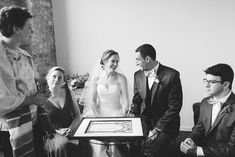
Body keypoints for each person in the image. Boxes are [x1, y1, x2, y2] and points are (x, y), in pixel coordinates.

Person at [0, 6, 50, 157]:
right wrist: (31, 99)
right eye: (29, 27)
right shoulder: (2, 59)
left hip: (34, 123)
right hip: (13, 128)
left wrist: (41, 89)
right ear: (16, 28)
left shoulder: (25, 55)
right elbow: (2, 100)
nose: (32, 32)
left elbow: (33, 84)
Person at [130, 43, 183, 157]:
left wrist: (157, 129)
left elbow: (175, 107)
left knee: (150, 150)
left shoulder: (172, 75)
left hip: (166, 124)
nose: (136, 63)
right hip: (144, 122)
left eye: (138, 60)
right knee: (132, 146)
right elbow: (137, 101)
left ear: (147, 58)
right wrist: (133, 119)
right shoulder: (137, 75)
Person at [177, 63, 235, 157]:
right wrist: (191, 139)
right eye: (205, 81)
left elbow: (232, 150)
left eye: (212, 82)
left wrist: (198, 151)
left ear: (225, 84)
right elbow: (199, 128)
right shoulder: (205, 102)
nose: (206, 85)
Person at [81, 49, 129, 157]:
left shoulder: (122, 79)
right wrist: (98, 117)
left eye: (117, 61)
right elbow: (93, 101)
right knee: (99, 147)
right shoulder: (96, 79)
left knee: (114, 148)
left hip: (117, 115)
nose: (116, 64)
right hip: (99, 114)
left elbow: (126, 101)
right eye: (113, 61)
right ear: (105, 62)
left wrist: (122, 116)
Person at [43, 66, 82, 157]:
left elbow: (77, 115)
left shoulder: (68, 92)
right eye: (54, 76)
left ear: (63, 81)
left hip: (71, 128)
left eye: (60, 77)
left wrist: (70, 129)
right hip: (52, 133)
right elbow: (42, 123)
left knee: (85, 141)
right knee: (62, 144)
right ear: (48, 77)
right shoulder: (41, 97)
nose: (57, 79)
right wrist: (58, 132)